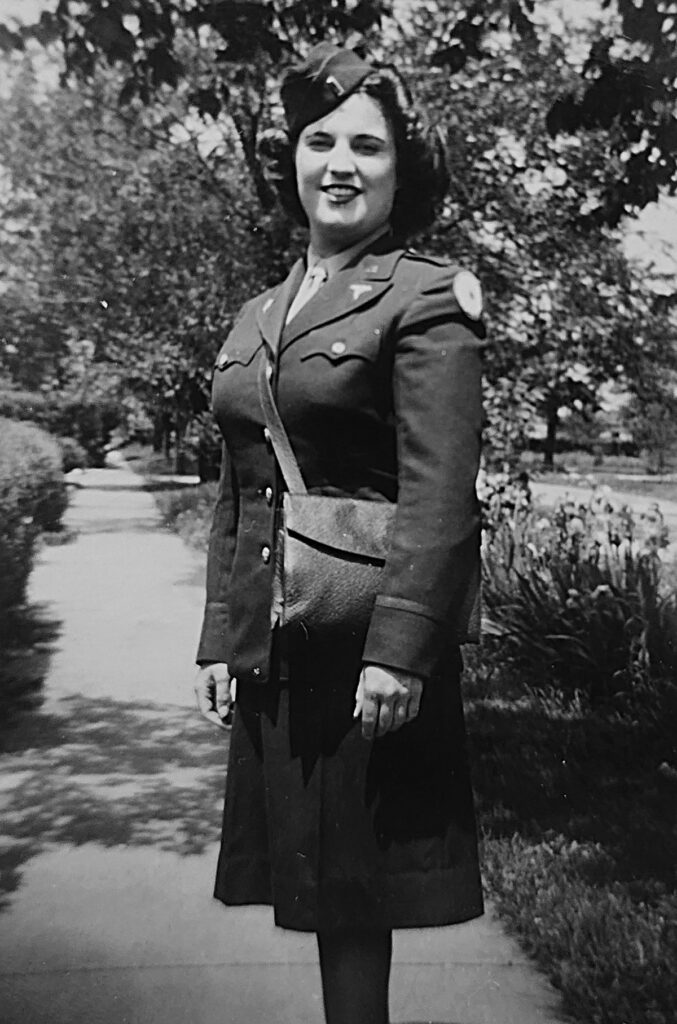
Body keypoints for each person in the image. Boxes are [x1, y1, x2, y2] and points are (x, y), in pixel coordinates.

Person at [194, 42, 485, 1024]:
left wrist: (401, 652)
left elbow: (441, 493)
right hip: (282, 641)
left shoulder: (423, 295)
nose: (340, 164)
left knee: (354, 898)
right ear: (291, 159)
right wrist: (221, 637)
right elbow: (239, 486)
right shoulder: (261, 312)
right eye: (320, 141)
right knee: (318, 890)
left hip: (366, 647)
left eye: (367, 145)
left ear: (403, 170)